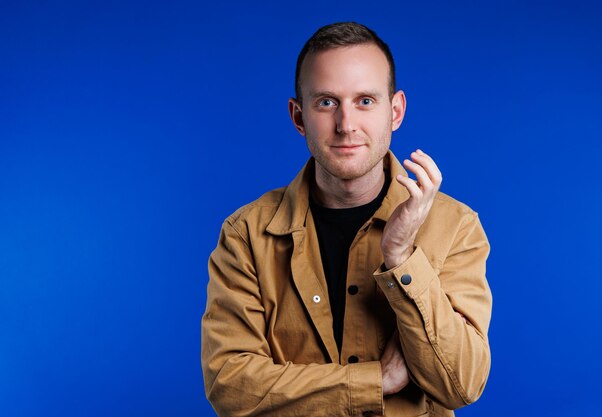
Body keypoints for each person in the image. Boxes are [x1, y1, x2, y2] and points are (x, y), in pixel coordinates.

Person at [201, 22, 492, 417]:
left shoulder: (456, 226)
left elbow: (461, 384)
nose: (346, 124)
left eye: (365, 101)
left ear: (396, 111)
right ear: (298, 116)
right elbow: (230, 387)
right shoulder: (247, 235)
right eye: (326, 102)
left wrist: (402, 257)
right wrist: (376, 381)